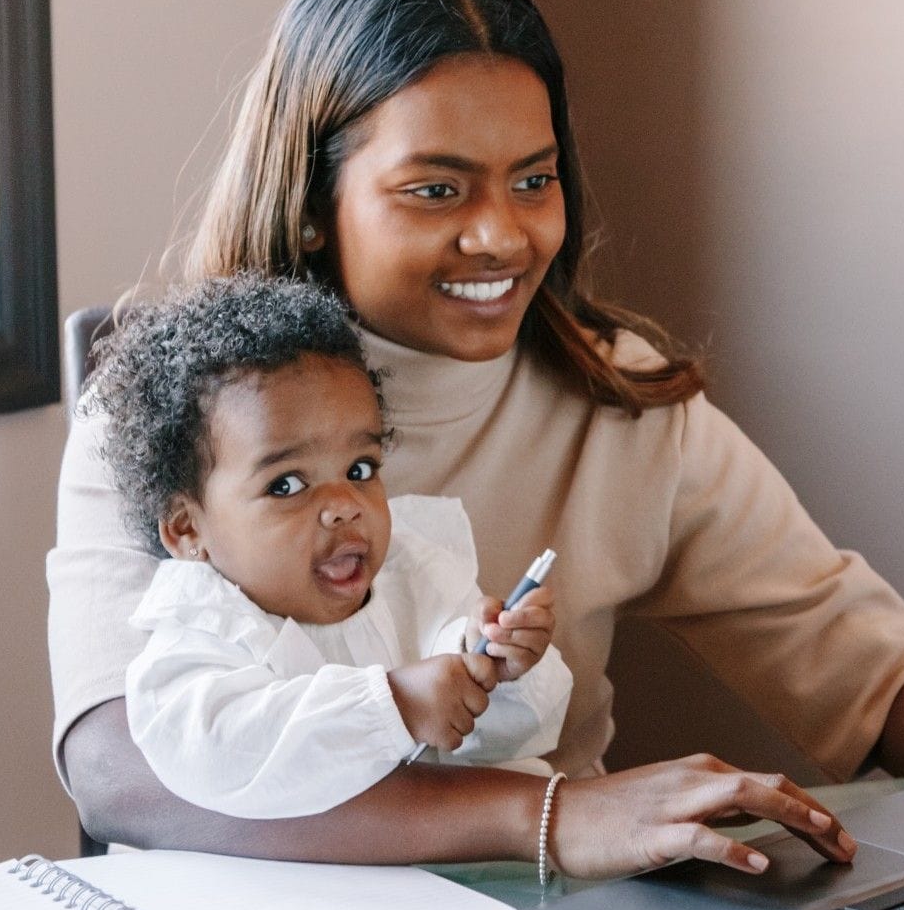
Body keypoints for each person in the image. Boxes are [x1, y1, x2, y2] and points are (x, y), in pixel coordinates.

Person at [48, 0, 904, 881]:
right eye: (436, 190)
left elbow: (841, 644)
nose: (500, 236)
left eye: (533, 180)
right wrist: (544, 814)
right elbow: (116, 771)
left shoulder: (617, 400)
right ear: (313, 202)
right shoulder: (165, 410)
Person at [89, 272, 571, 818]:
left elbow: (505, 742)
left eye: (359, 468)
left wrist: (498, 670)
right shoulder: (197, 636)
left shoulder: (414, 576)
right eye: (287, 485)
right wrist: (394, 705)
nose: (344, 504)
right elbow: (226, 754)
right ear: (187, 530)